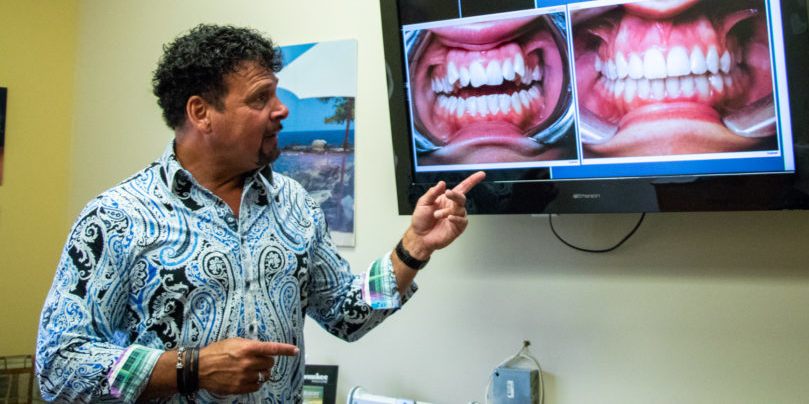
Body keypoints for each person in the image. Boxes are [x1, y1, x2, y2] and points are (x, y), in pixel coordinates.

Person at [36, 24, 485, 402]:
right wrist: (188, 368)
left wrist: (414, 247)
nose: (281, 109)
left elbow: (348, 315)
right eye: (260, 98)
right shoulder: (117, 217)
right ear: (201, 112)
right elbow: (58, 364)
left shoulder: (295, 204)